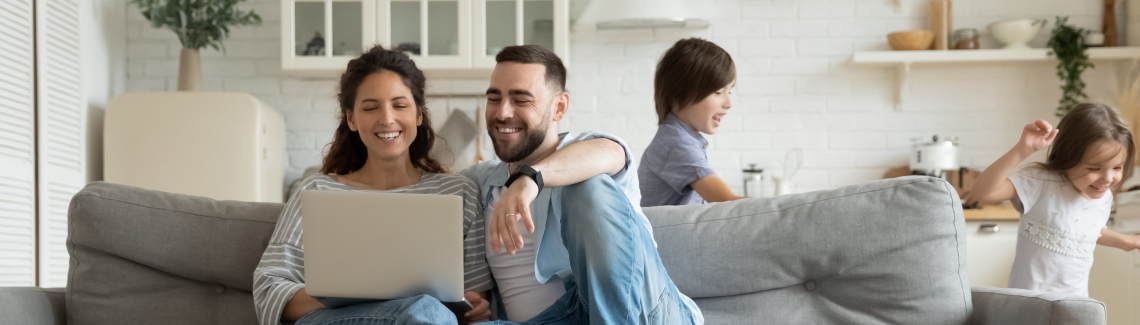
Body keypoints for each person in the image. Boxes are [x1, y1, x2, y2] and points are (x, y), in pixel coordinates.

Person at [461, 45, 703, 324]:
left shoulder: (587, 156)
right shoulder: (478, 182)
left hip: (646, 311)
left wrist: (531, 178)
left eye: (521, 100)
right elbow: (424, 188)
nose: (503, 112)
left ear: (559, 107)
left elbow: (611, 151)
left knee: (587, 186)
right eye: (494, 98)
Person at [252, 45, 493, 325]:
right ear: (351, 118)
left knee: (429, 313)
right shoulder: (316, 191)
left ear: (418, 114)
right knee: (427, 312)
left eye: (400, 105)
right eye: (370, 107)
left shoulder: (459, 193)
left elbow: (475, 299)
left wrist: (475, 308)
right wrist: (348, 294)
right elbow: (270, 291)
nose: (387, 118)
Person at [972, 103, 1140, 296]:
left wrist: (1126, 241)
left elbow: (1084, 229)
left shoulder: (1103, 197)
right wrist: (1021, 150)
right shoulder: (1040, 182)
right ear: (1068, 157)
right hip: (1030, 307)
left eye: (1117, 168)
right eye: (1094, 169)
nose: (1108, 179)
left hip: (1074, 306)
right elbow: (981, 193)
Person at [638, 38, 747, 207]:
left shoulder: (679, 138)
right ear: (680, 92)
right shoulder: (678, 144)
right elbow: (729, 204)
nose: (728, 103)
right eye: (718, 92)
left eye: (729, 91)